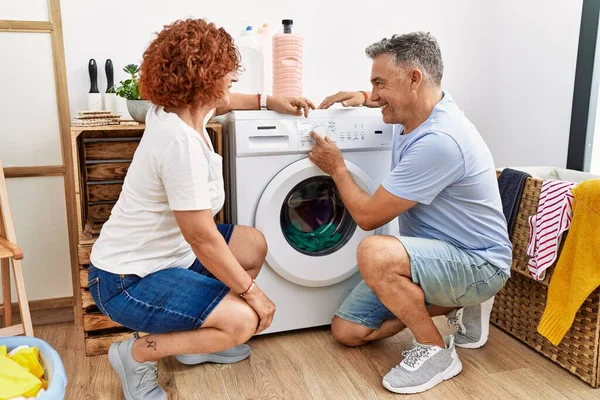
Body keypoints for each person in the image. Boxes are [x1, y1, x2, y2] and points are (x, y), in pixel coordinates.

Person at [87, 18, 315, 400]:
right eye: (227, 72)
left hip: (166, 258)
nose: (232, 80)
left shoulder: (180, 111)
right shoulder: (179, 143)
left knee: (252, 243)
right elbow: (202, 238)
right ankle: (136, 355)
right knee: (245, 320)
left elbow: (225, 102)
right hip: (127, 280)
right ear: (204, 78)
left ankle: (199, 341)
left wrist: (267, 101)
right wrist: (253, 293)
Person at [312, 32, 512, 394]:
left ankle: (436, 349)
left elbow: (368, 217)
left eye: (379, 83)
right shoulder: (419, 109)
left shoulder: (440, 141)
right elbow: (387, 99)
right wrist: (363, 97)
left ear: (415, 78)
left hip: (479, 262)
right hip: (436, 258)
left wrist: (337, 168)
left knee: (374, 250)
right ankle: (458, 304)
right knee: (349, 331)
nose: (373, 94)